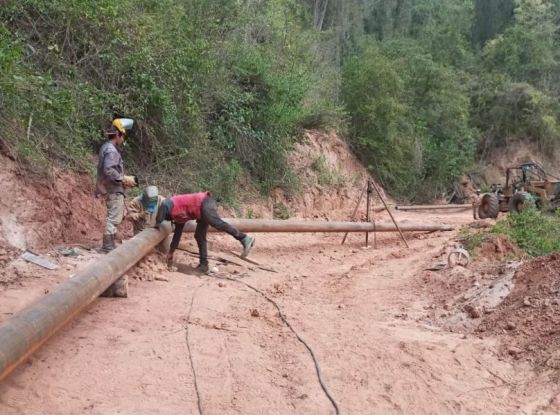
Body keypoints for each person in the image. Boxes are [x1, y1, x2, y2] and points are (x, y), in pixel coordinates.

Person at [156, 192, 255, 272]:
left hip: (204, 203)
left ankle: (244, 238)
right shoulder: (177, 218)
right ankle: (204, 265)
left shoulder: (172, 203)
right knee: (199, 236)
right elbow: (177, 235)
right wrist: (171, 252)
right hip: (200, 211)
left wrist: (157, 223)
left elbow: (165, 204)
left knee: (217, 223)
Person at [95, 117, 136, 253]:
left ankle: (109, 245)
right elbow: (108, 169)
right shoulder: (111, 150)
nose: (123, 139)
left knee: (113, 217)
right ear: (118, 134)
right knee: (113, 218)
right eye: (122, 135)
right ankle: (108, 247)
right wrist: (122, 178)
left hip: (109, 187)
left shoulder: (106, 148)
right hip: (112, 188)